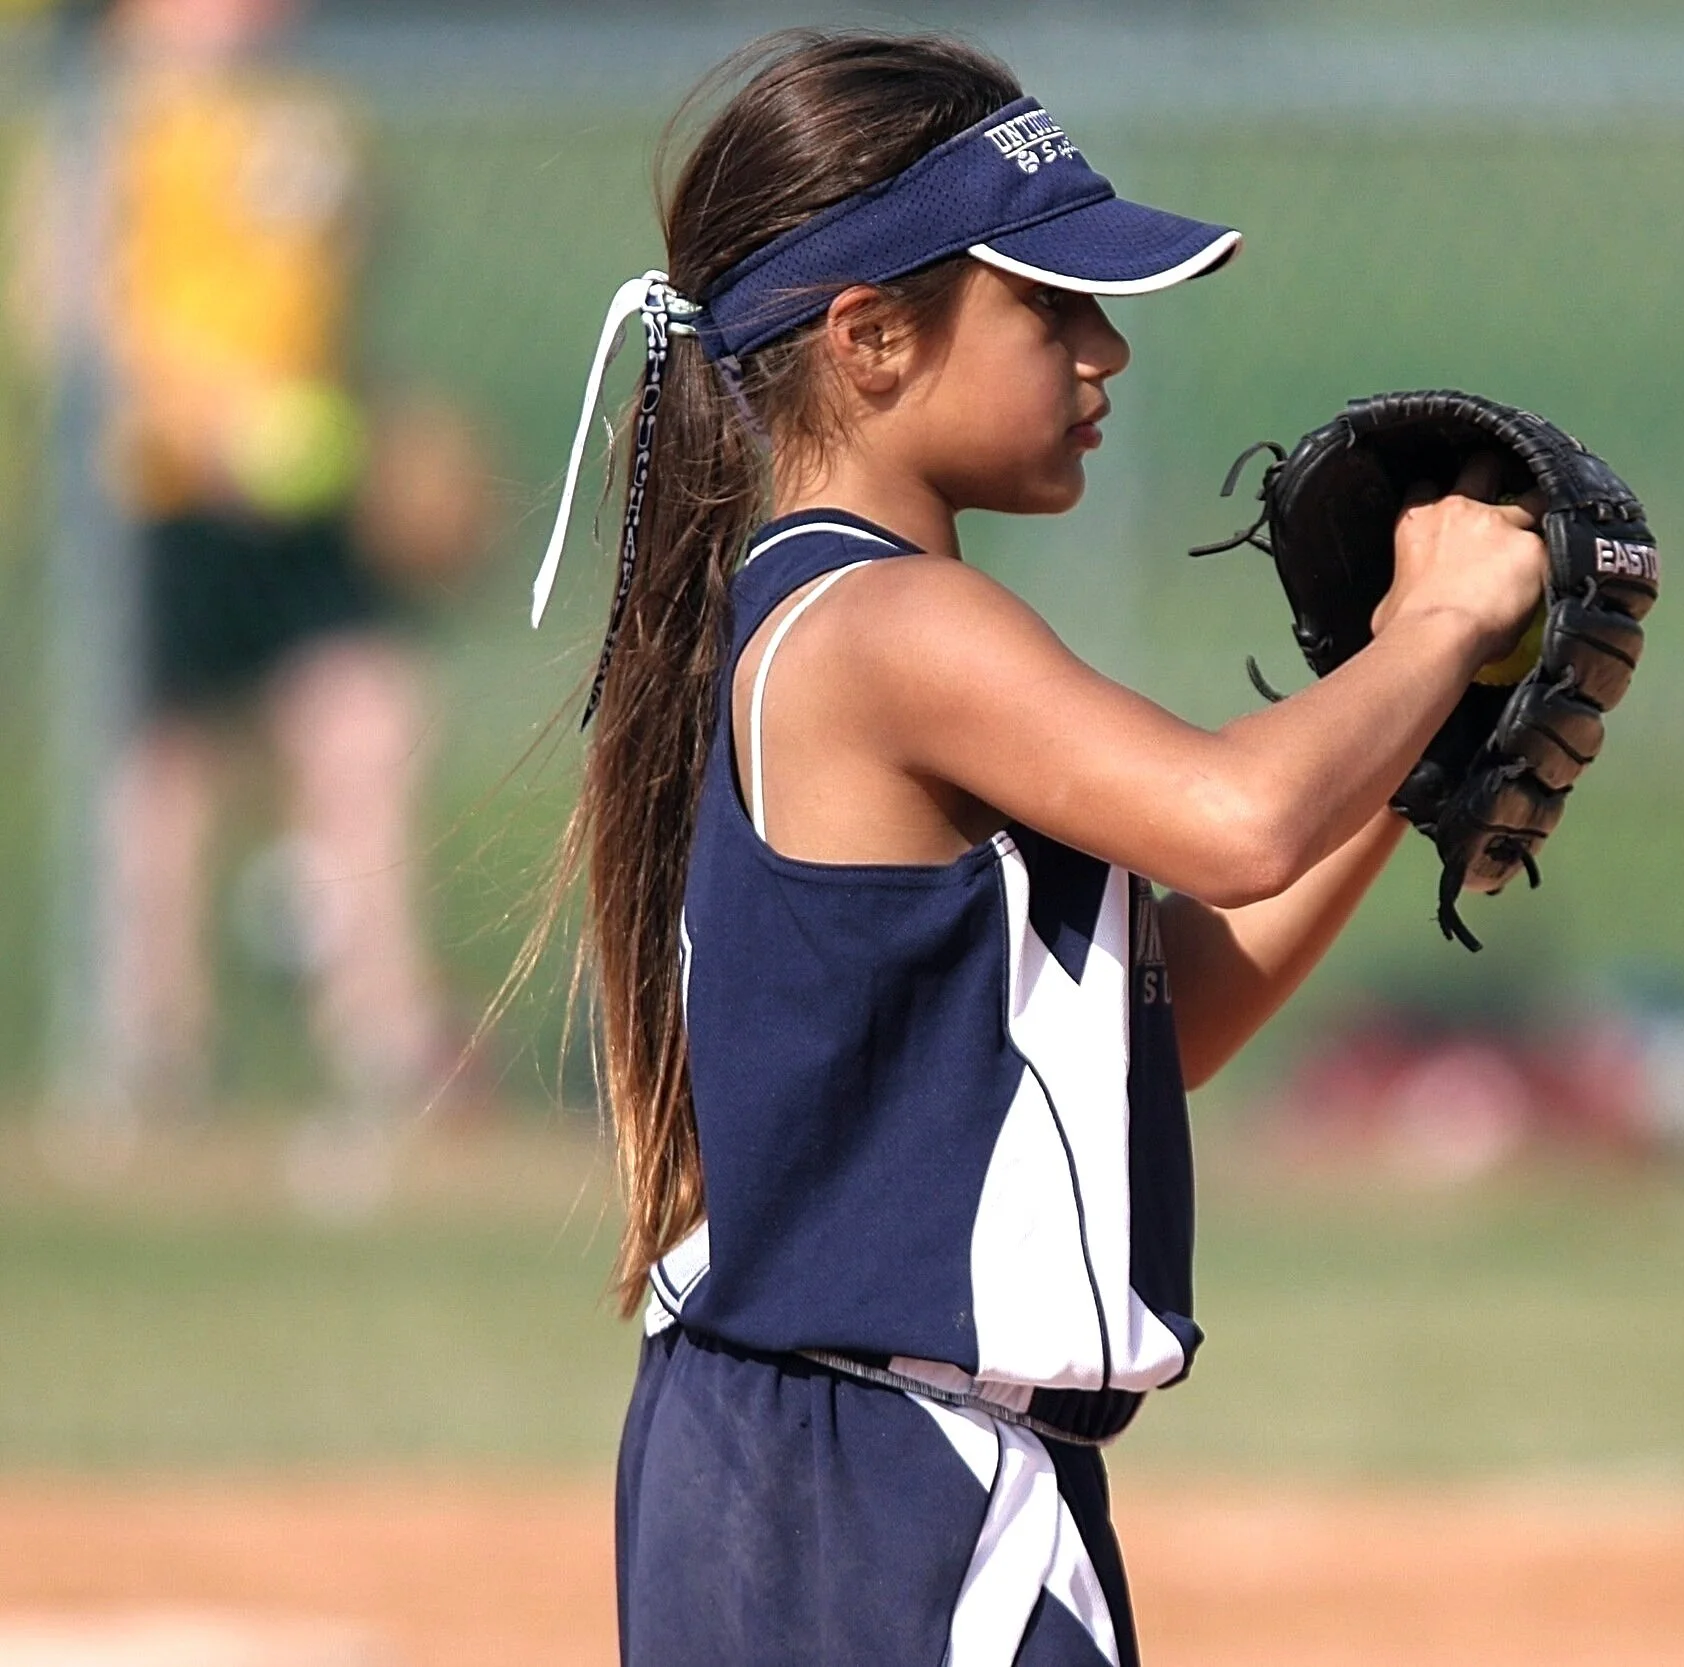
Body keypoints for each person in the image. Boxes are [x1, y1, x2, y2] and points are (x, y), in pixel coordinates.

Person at [526, 31, 1545, 1666]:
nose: (1104, 350)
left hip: (858, 1472)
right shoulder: (889, 624)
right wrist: (1434, 626)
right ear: (870, 337)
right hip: (883, 1489)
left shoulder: (844, 615)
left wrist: (1413, 747)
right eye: (1050, 306)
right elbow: (1236, 820)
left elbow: (1158, 1017)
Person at [63, 0, 450, 1202]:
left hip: (301, 498)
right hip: (159, 498)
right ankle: (152, 1052)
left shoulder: (304, 111)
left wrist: (375, 426)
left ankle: (386, 1042)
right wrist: (212, 417)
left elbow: (333, 301)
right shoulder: (105, 113)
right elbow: (72, 315)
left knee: (368, 726)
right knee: (164, 778)